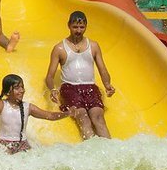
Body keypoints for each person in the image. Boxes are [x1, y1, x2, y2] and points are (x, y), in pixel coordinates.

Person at [45, 11, 115, 139]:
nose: (78, 30)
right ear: (69, 26)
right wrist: (53, 89)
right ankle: (92, 149)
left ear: (86, 26)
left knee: (98, 116)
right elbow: (49, 76)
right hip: (70, 88)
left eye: (81, 27)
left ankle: (110, 151)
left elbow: (102, 69)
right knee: (82, 116)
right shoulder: (59, 48)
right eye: (75, 27)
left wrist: (107, 84)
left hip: (90, 87)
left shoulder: (93, 46)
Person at [0, 62, 71, 154]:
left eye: (22, 87)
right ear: (7, 92)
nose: (21, 91)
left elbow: (50, 116)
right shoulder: (0, 105)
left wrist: (68, 113)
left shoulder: (28, 107)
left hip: (22, 145)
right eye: (17, 88)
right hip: (3, 145)